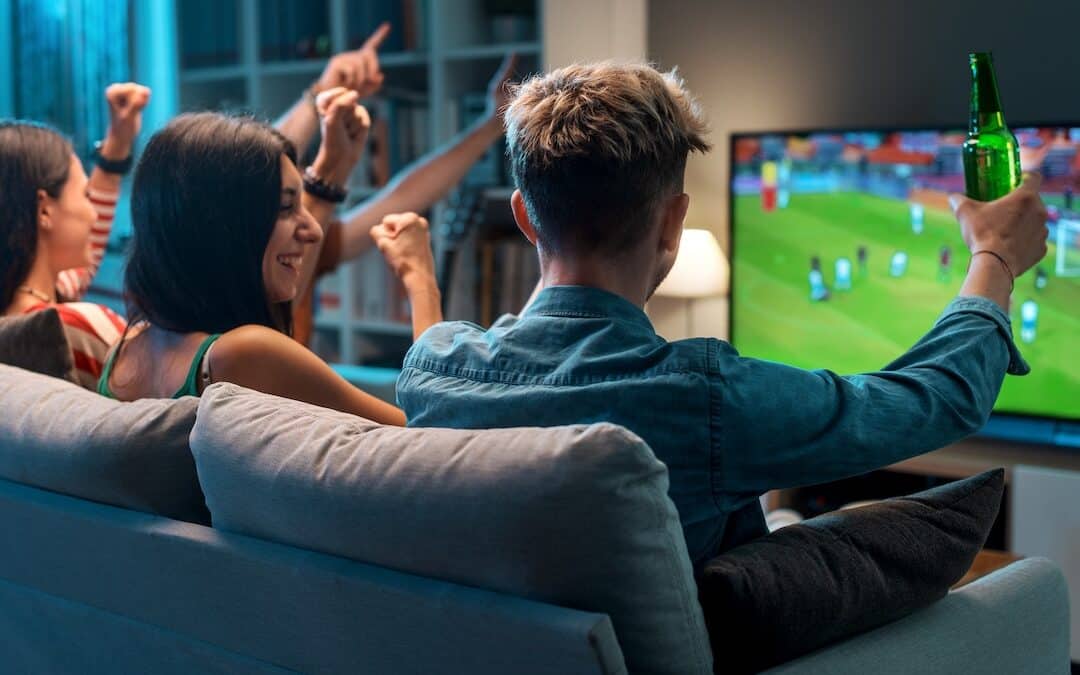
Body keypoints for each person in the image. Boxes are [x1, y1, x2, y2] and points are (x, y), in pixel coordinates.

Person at [392, 62, 1049, 568]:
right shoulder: (703, 399)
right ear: (674, 222)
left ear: (525, 217)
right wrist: (994, 254)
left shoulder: (431, 369)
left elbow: (435, 347)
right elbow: (936, 400)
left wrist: (422, 282)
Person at [97, 89, 438, 424]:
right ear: (223, 227)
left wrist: (332, 172)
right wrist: (420, 279)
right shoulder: (243, 355)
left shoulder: (125, 353)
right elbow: (431, 432)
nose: (314, 231)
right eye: (287, 207)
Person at [273, 23, 517, 344]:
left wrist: (490, 125)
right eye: (287, 204)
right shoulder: (240, 331)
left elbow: (403, 198)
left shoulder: (306, 239)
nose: (309, 228)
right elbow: (254, 165)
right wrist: (317, 96)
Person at [1, 83, 150, 387]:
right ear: (44, 211)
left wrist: (117, 142)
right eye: (84, 195)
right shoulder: (82, 326)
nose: (93, 214)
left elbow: (87, 255)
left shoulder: (20, 309)